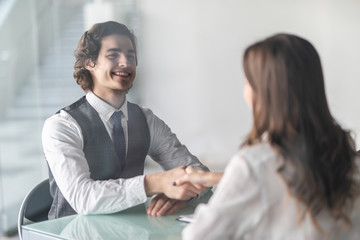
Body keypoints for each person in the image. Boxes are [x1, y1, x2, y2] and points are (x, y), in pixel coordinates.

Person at [176, 33, 360, 239]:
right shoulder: (345, 151)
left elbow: (198, 236)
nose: (245, 92)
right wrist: (214, 179)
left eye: (247, 83)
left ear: (263, 93)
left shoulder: (254, 163)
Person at [42, 21, 209, 219]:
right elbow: (82, 197)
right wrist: (155, 183)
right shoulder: (61, 126)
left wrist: (185, 195)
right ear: (89, 63)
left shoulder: (146, 120)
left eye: (130, 55)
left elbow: (198, 172)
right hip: (68, 232)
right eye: (113, 55)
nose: (126, 62)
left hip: (129, 230)